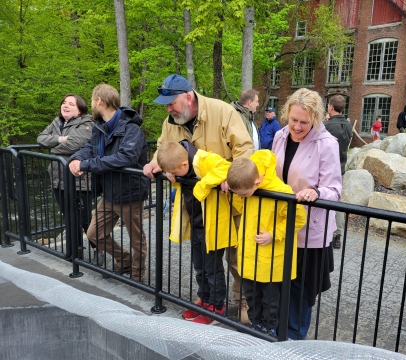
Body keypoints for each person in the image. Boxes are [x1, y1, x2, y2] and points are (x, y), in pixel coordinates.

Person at [143, 74, 255, 322]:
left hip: (228, 201)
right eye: (166, 104)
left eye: (171, 102)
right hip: (195, 205)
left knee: (237, 258)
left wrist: (232, 175)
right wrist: (154, 165)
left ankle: (247, 303)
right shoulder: (171, 121)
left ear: (188, 96)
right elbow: (164, 148)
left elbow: (245, 149)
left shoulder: (222, 111)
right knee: (202, 261)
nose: (168, 108)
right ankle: (208, 301)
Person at [271, 88, 342, 340]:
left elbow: (335, 189)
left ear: (315, 119)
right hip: (281, 226)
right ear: (286, 115)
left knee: (301, 289)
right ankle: (276, 332)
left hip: (309, 229)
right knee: (278, 282)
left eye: (304, 122)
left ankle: (294, 338)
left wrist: (316, 192)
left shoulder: (327, 144)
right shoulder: (280, 137)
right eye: (293, 120)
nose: (297, 127)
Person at [69, 84, 149, 282]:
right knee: (94, 233)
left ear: (99, 101)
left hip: (130, 192)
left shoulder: (132, 128)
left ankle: (138, 276)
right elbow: (88, 147)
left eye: (92, 99)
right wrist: (75, 159)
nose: (91, 104)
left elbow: (126, 158)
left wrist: (86, 164)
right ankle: (125, 261)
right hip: (109, 192)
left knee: (137, 239)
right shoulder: (100, 127)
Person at [156, 140, 237, 324]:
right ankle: (205, 300)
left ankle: (216, 307)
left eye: (175, 172)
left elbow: (228, 167)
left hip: (213, 227)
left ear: (184, 165)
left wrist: (204, 184)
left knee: (212, 269)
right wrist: (171, 174)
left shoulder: (204, 159)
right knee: (199, 267)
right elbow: (176, 176)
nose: (172, 175)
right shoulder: (180, 163)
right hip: (197, 225)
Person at [226, 151, 306, 336]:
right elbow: (242, 207)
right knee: (253, 297)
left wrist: (274, 234)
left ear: (256, 183)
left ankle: (269, 332)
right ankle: (256, 328)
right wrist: (239, 197)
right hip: (249, 257)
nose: (242, 196)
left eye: (243, 194)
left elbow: (299, 218)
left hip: (269, 262)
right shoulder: (246, 186)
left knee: (270, 301)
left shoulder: (281, 191)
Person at [37, 94, 102, 264]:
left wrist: (53, 146)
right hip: (58, 178)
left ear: (80, 109)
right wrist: (60, 139)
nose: (65, 105)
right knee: (68, 216)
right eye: (64, 102)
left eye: (71, 104)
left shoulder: (86, 124)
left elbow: (75, 144)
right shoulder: (57, 122)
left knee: (84, 218)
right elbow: (41, 139)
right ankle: (76, 251)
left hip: (80, 180)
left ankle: (98, 249)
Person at [323, 95, 353, 250]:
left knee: (323, 200)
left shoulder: (326, 126)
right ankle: (337, 234)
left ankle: (323, 232)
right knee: (337, 200)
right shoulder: (348, 125)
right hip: (340, 168)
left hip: (325, 169)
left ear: (330, 107)